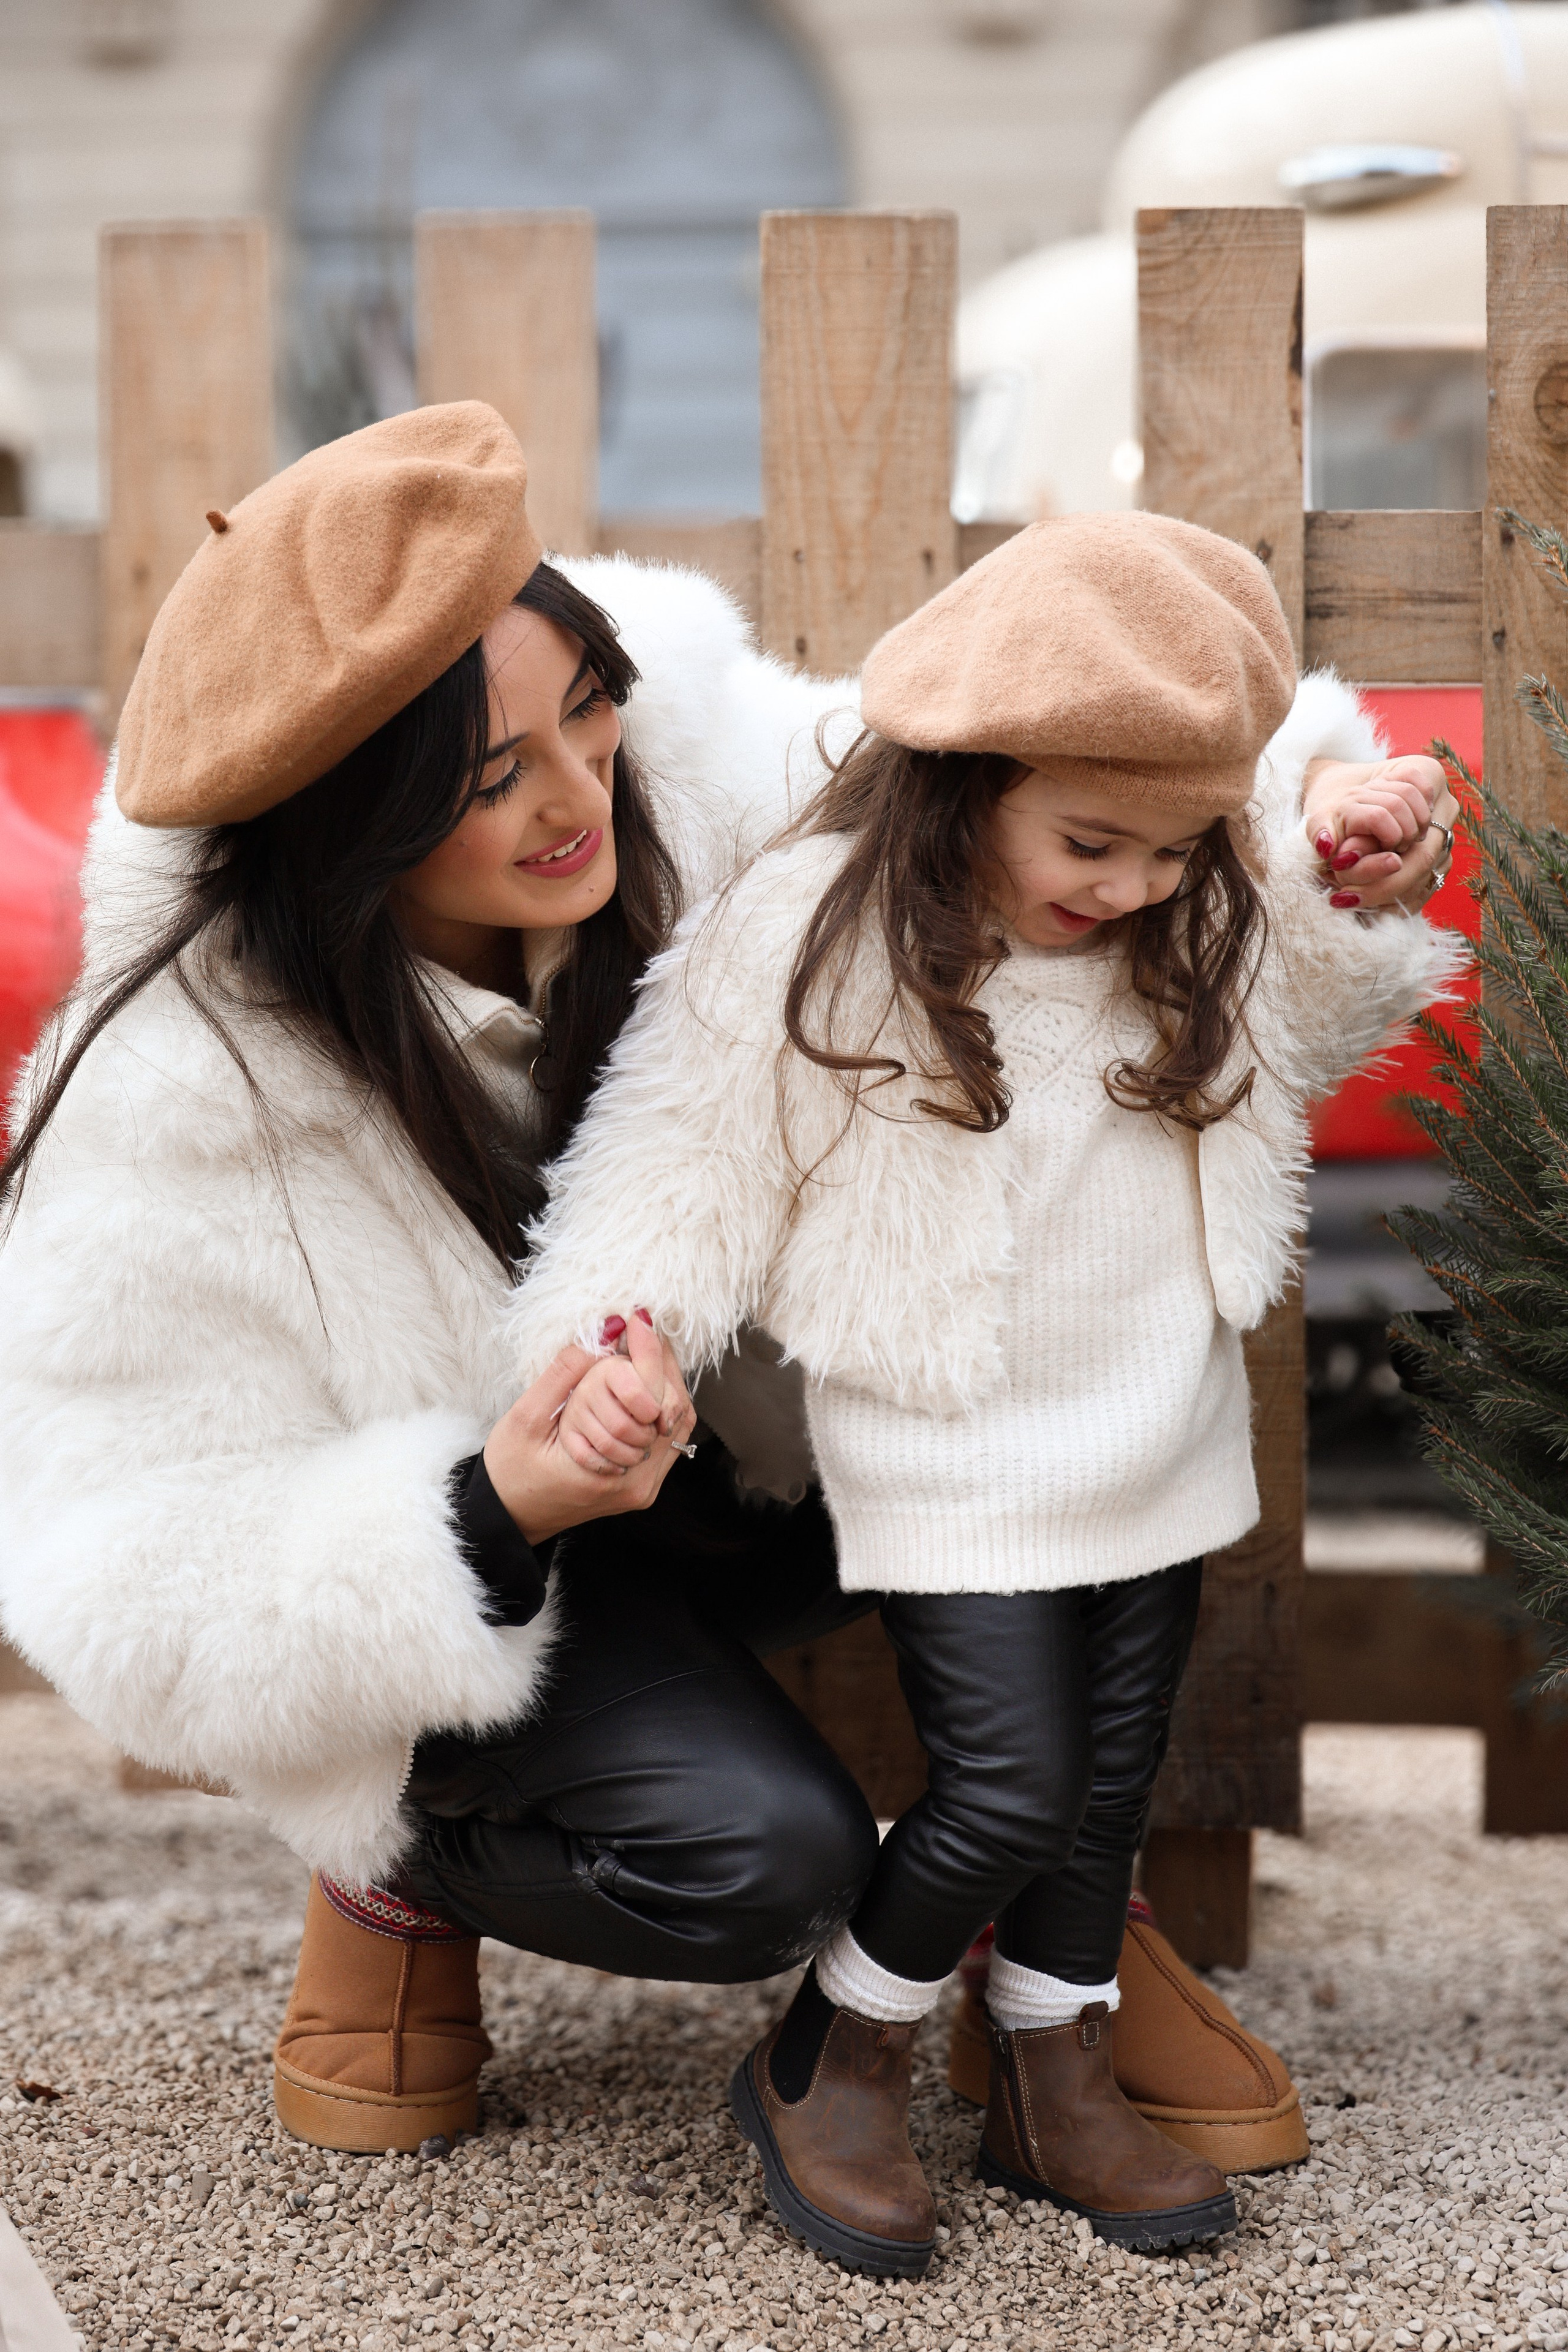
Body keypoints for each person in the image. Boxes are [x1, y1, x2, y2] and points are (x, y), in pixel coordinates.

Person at [497, 512, 1466, 2274]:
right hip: (951, 1429)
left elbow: (1308, 1030)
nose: (1132, 885)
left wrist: (1337, 872)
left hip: (1154, 1416)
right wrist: (617, 1333)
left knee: (1105, 1794)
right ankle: (835, 2046)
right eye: (1090, 842)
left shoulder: (1191, 904)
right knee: (1009, 1786)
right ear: (964, 778)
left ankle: (1051, 2077)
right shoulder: (818, 925)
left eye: (1176, 847)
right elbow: (688, 1154)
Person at [0, 401, 882, 2154]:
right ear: (350, 828)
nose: (582, 797)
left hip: (739, 1472)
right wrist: (492, 1507)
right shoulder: (179, 1089)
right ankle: (400, 1872)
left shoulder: (691, 761)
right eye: (494, 784)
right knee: (763, 1863)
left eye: (589, 706)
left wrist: (1301, 821)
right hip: (498, 1575)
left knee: (1040, 1458)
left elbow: (973, 774)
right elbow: (123, 1568)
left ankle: (1055, 1929)